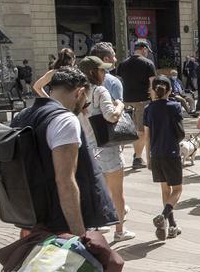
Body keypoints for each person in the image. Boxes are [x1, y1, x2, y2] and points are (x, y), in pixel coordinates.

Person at [10, 66, 124, 272]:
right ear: (78, 93)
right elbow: (66, 180)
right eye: (83, 99)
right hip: (58, 216)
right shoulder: (63, 121)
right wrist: (78, 235)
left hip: (31, 212)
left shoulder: (24, 115)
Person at [77, 56, 133, 242]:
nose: (105, 73)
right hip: (106, 148)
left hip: (88, 149)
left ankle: (96, 227)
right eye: (102, 70)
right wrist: (120, 105)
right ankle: (119, 230)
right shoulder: (100, 91)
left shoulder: (77, 93)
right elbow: (111, 116)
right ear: (93, 72)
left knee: (98, 191)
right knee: (117, 192)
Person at [142, 76, 185, 240]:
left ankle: (171, 225)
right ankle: (164, 216)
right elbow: (180, 132)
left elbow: (147, 135)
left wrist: (148, 157)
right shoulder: (175, 106)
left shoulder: (149, 108)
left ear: (154, 90)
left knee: (165, 190)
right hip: (171, 152)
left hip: (156, 153)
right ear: (169, 90)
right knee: (178, 189)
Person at [118, 40, 157, 171]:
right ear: (144, 49)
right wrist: (154, 101)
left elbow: (119, 82)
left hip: (126, 101)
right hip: (142, 101)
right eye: (147, 51)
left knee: (128, 130)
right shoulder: (148, 64)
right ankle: (138, 158)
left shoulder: (122, 64)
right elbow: (152, 85)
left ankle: (134, 153)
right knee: (141, 131)